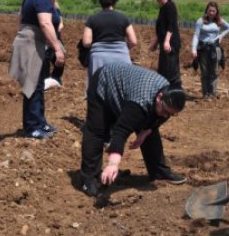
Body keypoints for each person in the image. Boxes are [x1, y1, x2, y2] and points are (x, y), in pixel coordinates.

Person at [79, 61, 187, 197]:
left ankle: (159, 173)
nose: (166, 116)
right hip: (104, 82)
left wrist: (144, 132)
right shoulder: (139, 102)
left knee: (151, 133)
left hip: (129, 88)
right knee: (96, 132)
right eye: (165, 111)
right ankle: (89, 178)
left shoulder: (167, 98)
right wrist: (113, 164)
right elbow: (120, 132)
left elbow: (158, 119)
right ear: (159, 98)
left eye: (171, 114)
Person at [9, 0, 64, 139]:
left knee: (38, 84)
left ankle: (40, 122)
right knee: (32, 85)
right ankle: (32, 127)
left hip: (32, 42)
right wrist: (57, 48)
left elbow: (21, 19)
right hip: (31, 43)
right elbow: (45, 23)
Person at [82, 0, 137, 85]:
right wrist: (123, 47)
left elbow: (86, 42)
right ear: (115, 2)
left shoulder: (92, 19)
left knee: (98, 87)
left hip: (99, 58)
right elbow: (133, 41)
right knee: (122, 87)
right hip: (121, 56)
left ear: (100, 2)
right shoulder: (123, 18)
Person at [191, 1, 229, 98]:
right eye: (210, 11)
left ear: (216, 12)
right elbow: (196, 35)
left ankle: (213, 94)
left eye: (214, 11)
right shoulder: (200, 21)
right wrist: (193, 49)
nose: (211, 13)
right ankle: (205, 94)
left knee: (214, 71)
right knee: (204, 71)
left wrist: (221, 36)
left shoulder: (219, 21)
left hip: (215, 48)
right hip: (203, 48)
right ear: (206, 11)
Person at [148, 0, 182, 88]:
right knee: (164, 69)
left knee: (170, 69)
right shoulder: (163, 8)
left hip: (171, 43)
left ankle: (174, 90)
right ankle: (167, 91)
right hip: (165, 42)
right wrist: (155, 42)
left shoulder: (170, 6)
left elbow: (171, 25)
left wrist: (167, 41)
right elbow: (162, 29)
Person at [43, 0, 65, 90]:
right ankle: (44, 78)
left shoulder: (56, 8)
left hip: (56, 37)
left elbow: (60, 22)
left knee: (62, 54)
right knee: (45, 56)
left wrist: (59, 26)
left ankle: (56, 77)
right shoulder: (42, 6)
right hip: (44, 37)